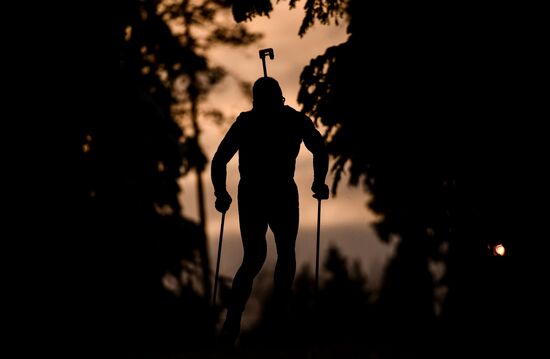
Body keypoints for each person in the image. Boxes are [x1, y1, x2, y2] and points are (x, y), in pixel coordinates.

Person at [211, 77, 329, 346]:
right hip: (273, 192)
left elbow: (220, 159)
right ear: (279, 97)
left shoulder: (250, 121)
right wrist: (318, 181)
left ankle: (250, 319)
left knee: (262, 255)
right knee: (272, 254)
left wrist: (222, 192)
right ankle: (271, 318)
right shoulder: (291, 120)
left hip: (261, 192)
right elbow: (318, 147)